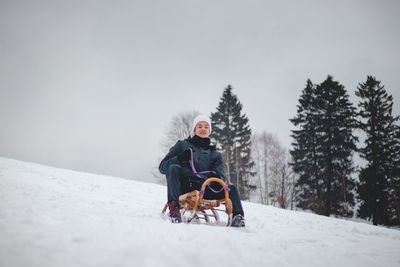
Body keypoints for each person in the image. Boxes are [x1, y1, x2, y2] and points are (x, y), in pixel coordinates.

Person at [159, 114, 245, 227]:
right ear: (194, 130)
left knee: (231, 189)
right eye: (199, 126)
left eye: (206, 127)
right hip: (185, 186)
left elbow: (220, 176)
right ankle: (174, 209)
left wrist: (214, 179)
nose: (203, 129)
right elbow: (162, 167)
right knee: (173, 167)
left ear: (210, 130)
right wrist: (179, 159)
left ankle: (237, 217)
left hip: (204, 189)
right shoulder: (182, 145)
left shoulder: (215, 154)